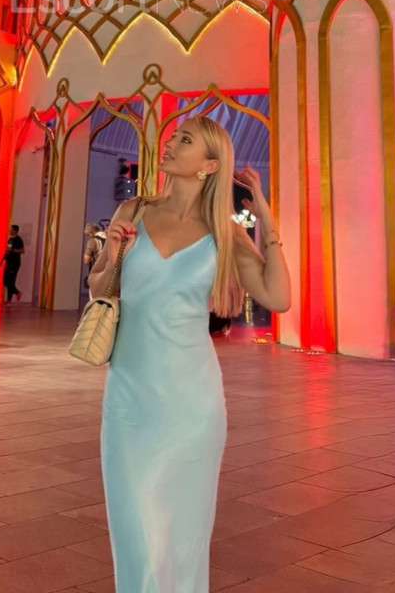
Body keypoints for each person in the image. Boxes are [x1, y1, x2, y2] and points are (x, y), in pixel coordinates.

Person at [89, 116, 291, 593]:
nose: (171, 143)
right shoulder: (133, 210)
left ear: (209, 165)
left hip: (192, 403)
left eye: (186, 140)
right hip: (128, 397)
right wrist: (114, 254)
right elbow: (99, 288)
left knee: (181, 535)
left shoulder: (224, 233)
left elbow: (277, 297)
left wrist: (266, 219)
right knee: (135, 529)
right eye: (173, 136)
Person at [0, 224, 24, 304]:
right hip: (8, 263)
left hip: (15, 263)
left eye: (12, 230)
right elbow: (7, 250)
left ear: (16, 231)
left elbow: (22, 251)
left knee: (11, 281)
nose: (10, 231)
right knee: (5, 281)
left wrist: (13, 250)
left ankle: (9, 299)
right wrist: (2, 260)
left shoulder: (19, 240)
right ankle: (17, 293)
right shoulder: (10, 239)